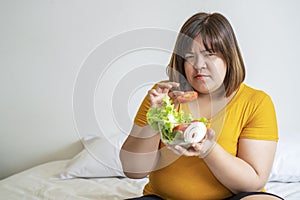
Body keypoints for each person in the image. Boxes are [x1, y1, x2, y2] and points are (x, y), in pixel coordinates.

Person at [120, 12, 283, 200]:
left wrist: (208, 150)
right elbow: (133, 170)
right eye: (190, 56)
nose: (198, 65)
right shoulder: (163, 96)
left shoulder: (256, 102)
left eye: (210, 55)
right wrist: (155, 118)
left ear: (229, 58)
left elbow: (253, 182)